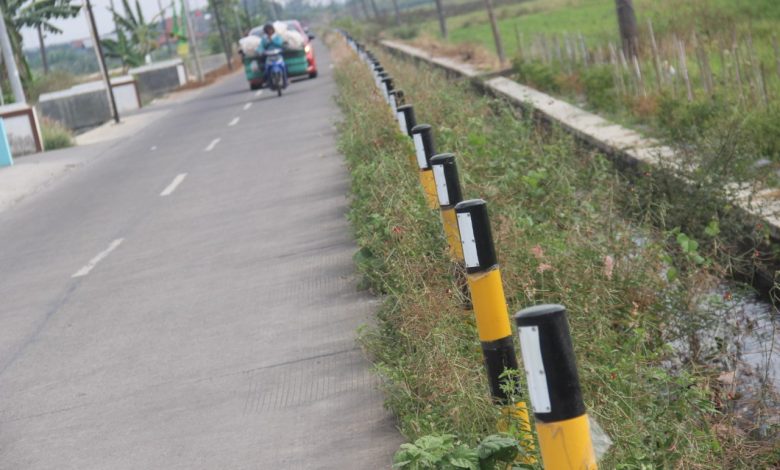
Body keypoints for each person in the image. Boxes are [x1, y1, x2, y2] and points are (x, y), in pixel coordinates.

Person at [256, 23, 287, 89]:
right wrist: (260, 51)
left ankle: (285, 80)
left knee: (285, 66)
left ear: (273, 30)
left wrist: (272, 40)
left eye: (270, 29)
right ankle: (268, 81)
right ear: (265, 31)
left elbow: (280, 44)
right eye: (267, 30)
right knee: (265, 68)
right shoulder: (264, 39)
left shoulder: (277, 37)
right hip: (268, 55)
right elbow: (261, 47)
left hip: (278, 54)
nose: (269, 31)